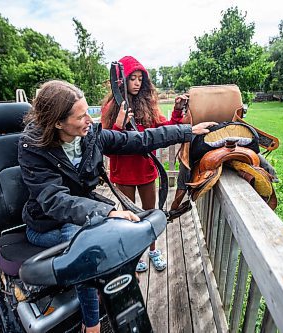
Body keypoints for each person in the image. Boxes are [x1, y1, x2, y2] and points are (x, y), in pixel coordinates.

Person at [18, 80, 215, 333]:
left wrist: (187, 132)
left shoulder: (90, 136)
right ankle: (92, 326)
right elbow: (54, 200)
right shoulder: (32, 148)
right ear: (58, 123)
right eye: (80, 117)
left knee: (111, 233)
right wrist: (106, 212)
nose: (89, 120)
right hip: (47, 224)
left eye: (87, 112)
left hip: (87, 213)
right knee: (87, 244)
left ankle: (120, 289)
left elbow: (140, 139)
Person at [101, 55, 189, 272]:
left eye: (141, 78)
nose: (137, 83)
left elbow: (166, 128)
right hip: (123, 173)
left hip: (146, 170)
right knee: (129, 217)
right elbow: (106, 144)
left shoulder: (147, 105)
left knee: (150, 213)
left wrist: (177, 110)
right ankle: (135, 254)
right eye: (133, 78)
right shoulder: (112, 107)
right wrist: (119, 123)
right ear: (122, 80)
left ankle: (152, 250)